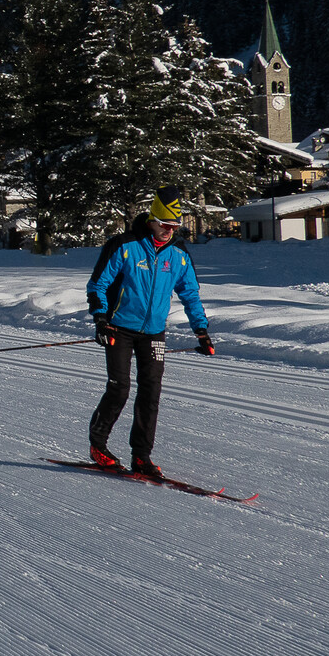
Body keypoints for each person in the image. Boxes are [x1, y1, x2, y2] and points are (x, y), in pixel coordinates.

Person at [84, 188, 215, 476]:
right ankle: (98, 445)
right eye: (165, 225)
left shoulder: (178, 255)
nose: (169, 231)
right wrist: (101, 319)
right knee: (120, 388)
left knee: (150, 393)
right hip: (118, 327)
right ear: (152, 220)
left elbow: (190, 294)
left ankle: (141, 456)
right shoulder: (124, 245)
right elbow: (98, 285)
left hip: (154, 332)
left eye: (175, 227)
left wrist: (201, 331)